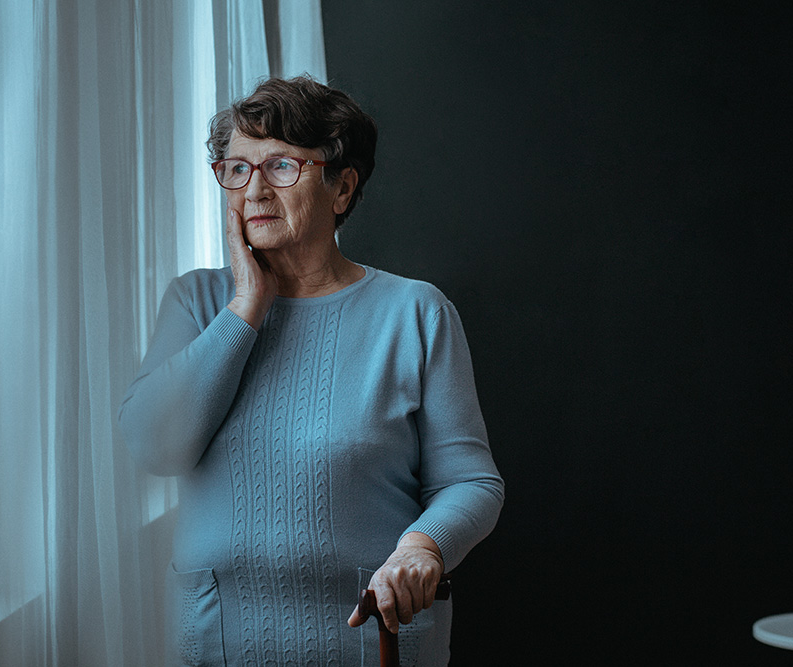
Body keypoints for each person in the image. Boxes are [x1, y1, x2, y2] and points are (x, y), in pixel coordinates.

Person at [118, 75, 504, 666]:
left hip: (370, 636)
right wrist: (246, 307)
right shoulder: (195, 303)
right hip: (217, 641)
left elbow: (471, 481)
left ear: (342, 188)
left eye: (280, 167)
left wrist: (423, 546)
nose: (253, 191)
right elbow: (152, 447)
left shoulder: (415, 313)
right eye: (237, 169)